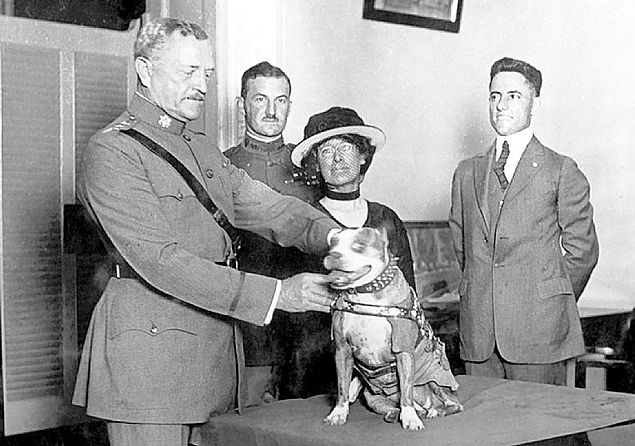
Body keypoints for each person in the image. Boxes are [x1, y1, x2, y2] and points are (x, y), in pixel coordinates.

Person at [71, 18, 340, 446]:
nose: (202, 85)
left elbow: (268, 205)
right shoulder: (112, 151)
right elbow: (163, 262)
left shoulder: (201, 148)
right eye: (188, 72)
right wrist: (278, 294)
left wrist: (336, 237)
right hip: (150, 375)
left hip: (214, 363)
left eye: (208, 74)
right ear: (145, 71)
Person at [448, 57, 599, 385]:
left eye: (514, 96)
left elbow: (583, 251)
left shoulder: (561, 170)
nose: (501, 106)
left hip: (539, 335)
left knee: (539, 433)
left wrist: (548, 299)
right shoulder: (466, 172)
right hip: (479, 337)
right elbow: (464, 248)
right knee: (482, 433)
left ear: (535, 104)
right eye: (494, 96)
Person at [290, 106, 416, 397]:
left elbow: (408, 302)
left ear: (363, 156)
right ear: (316, 163)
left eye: (346, 147)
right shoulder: (302, 220)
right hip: (318, 371)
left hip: (383, 377)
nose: (336, 158)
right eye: (325, 150)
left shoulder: (387, 220)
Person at [224, 62, 323, 401]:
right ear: (242, 105)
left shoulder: (311, 167)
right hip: (250, 327)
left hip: (307, 328)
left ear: (290, 106)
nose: (271, 110)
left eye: (280, 101)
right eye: (260, 99)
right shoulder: (221, 167)